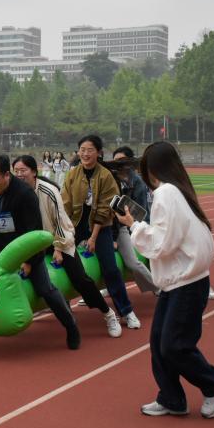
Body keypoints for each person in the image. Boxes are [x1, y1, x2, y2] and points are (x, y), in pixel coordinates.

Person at [116, 141, 214, 418]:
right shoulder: (179, 190)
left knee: (173, 345)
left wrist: (133, 225)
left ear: (151, 168)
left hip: (186, 282)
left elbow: (161, 243)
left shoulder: (166, 192)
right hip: (179, 280)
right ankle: (172, 398)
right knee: (159, 342)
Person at [0, 155, 81, 350]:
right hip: (0, 250)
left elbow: (34, 232)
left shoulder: (25, 194)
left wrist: (28, 261)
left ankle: (71, 327)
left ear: (6, 175)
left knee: (45, 289)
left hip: (25, 250)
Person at [12, 155, 123, 339]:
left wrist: (58, 248)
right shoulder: (15, 193)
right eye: (16, 171)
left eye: (23, 170)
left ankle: (108, 313)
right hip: (32, 244)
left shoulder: (48, 191)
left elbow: (62, 223)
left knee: (80, 279)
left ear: (34, 172)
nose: (19, 174)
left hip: (57, 239)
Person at [62, 134, 140, 330]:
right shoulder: (72, 175)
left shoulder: (106, 176)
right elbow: (66, 204)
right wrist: (66, 232)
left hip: (101, 227)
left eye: (90, 150)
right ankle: (64, 310)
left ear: (99, 153)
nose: (85, 154)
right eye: (82, 150)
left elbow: (106, 210)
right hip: (76, 226)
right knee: (62, 263)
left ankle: (126, 311)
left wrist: (93, 238)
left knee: (110, 269)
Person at [109, 146, 155, 295]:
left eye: (122, 160)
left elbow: (142, 213)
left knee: (133, 262)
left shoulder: (138, 183)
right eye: (116, 160)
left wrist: (134, 232)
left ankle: (158, 286)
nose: (118, 163)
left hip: (128, 226)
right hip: (109, 226)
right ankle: (105, 287)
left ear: (129, 162)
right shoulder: (109, 178)